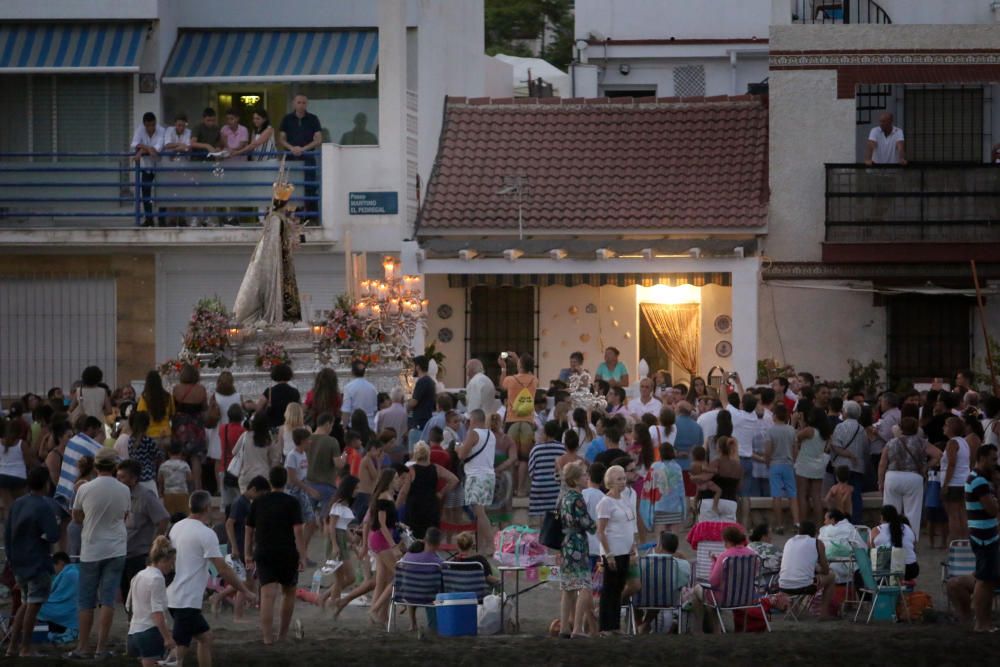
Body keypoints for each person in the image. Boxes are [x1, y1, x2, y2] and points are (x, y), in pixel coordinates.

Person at [168, 490, 255, 666]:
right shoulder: (206, 533)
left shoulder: (177, 527)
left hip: (175, 594)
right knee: (179, 649)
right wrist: (245, 590)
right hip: (186, 598)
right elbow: (222, 568)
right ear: (208, 508)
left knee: (206, 638)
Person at [67, 448, 130, 659]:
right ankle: (101, 648)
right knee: (108, 599)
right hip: (116, 548)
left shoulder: (85, 489)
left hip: (91, 548)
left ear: (95, 466)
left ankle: (82, 646)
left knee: (86, 601)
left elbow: (76, 517)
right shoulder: (124, 490)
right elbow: (125, 515)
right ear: (114, 467)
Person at [245, 466, 305, 645]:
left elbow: (249, 530)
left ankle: (267, 638)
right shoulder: (292, 502)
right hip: (286, 551)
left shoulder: (258, 502)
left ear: (270, 481)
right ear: (285, 481)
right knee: (288, 593)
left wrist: (248, 553)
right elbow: (298, 530)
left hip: (264, 551)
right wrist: (302, 555)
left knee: (267, 595)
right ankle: (282, 635)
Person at [4, 466, 60, 658]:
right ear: (46, 484)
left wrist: (11, 561)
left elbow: (7, 534)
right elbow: (53, 535)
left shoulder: (17, 504)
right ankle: (25, 648)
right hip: (37, 562)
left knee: (25, 603)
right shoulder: (44, 505)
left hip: (18, 562)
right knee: (33, 605)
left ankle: (12, 646)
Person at [879, 416, 940, 541]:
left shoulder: (891, 442)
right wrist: (926, 466)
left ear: (900, 428)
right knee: (913, 511)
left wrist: (880, 481)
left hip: (893, 476)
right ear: (916, 429)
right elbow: (939, 454)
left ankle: (888, 539)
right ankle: (910, 541)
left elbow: (882, 463)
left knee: (890, 510)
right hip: (913, 477)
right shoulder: (922, 442)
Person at [116, 459, 169, 603]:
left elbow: (163, 518)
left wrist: (154, 545)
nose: (119, 480)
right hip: (121, 552)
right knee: (126, 593)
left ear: (133, 479)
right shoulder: (118, 495)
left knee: (139, 595)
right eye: (118, 476)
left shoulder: (145, 496)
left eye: (122, 477)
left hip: (139, 554)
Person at [216, 475, 268, 620]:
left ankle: (221, 598)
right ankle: (236, 614)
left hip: (244, 548)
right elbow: (229, 524)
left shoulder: (247, 503)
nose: (260, 497)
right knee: (244, 583)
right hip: (238, 548)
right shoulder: (239, 502)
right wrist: (233, 547)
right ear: (253, 489)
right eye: (260, 494)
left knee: (248, 582)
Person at [690, 526, 755, 633]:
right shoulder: (752, 554)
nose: (724, 544)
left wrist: (714, 563)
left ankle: (700, 631)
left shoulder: (724, 556)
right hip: (747, 597)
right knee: (711, 599)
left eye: (724, 541)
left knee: (697, 590)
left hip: (725, 598)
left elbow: (713, 582)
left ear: (728, 541)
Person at [595, 464, 636, 635]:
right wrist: (608, 554)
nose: (623, 482)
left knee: (619, 588)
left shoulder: (625, 499)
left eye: (624, 478)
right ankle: (605, 626)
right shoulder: (605, 502)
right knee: (609, 588)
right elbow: (601, 530)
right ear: (610, 482)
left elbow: (630, 525)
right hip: (613, 551)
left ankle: (615, 625)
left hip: (625, 550)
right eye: (619, 479)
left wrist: (633, 548)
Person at [557, 461, 596, 639]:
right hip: (578, 543)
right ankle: (578, 628)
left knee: (568, 587)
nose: (586, 477)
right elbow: (587, 523)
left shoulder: (564, 497)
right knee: (584, 585)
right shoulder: (577, 498)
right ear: (574, 480)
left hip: (565, 543)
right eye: (582, 475)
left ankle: (565, 626)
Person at [963, 443, 999, 632]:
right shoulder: (979, 481)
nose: (995, 463)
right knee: (984, 582)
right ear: (983, 457)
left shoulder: (978, 479)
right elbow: (992, 510)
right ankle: (981, 623)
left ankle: (983, 622)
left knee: (987, 580)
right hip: (984, 536)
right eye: (993, 459)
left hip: (985, 535)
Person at [126, 536, 176, 667]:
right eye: (172, 563)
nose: (172, 567)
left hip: (134, 632)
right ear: (164, 560)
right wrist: (167, 637)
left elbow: (129, 606)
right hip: (149, 633)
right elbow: (157, 613)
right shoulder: (157, 579)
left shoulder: (139, 575)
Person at [367, 468, 404, 626]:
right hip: (382, 540)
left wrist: (399, 524)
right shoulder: (384, 498)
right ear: (388, 480)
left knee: (383, 580)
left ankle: (381, 617)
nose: (398, 481)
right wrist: (393, 546)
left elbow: (386, 522)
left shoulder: (388, 497)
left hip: (381, 538)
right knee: (399, 576)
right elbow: (381, 524)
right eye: (396, 478)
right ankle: (375, 610)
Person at [777, 521, 837, 619]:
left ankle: (793, 611)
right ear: (815, 532)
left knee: (800, 577)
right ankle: (824, 614)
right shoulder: (817, 543)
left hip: (783, 586)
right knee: (831, 577)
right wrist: (818, 569)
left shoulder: (789, 541)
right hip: (804, 586)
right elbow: (826, 571)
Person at [499, 351, 539, 494]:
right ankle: (521, 489)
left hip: (512, 421)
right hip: (528, 422)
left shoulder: (510, 380)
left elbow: (501, 385)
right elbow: (525, 375)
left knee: (513, 458)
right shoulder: (534, 380)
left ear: (519, 365)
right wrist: (519, 360)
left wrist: (503, 367)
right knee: (523, 458)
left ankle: (512, 489)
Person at [457, 409, 496, 554]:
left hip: (476, 476)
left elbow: (462, 454)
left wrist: (457, 448)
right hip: (488, 475)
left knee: (479, 512)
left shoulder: (473, 433)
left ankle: (492, 545)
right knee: (481, 512)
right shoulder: (490, 434)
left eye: (469, 420)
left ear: (474, 419)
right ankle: (481, 547)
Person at [278, 94, 323, 220]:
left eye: (304, 102)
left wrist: (303, 149)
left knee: (310, 187)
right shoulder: (287, 119)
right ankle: (291, 218)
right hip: (291, 159)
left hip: (308, 158)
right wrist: (292, 148)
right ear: (294, 104)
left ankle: (311, 219)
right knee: (290, 188)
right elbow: (281, 139)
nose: (301, 105)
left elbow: (319, 139)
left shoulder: (313, 119)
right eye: (299, 102)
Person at [404, 442, 458, 539]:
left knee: (414, 537)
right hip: (431, 504)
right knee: (431, 537)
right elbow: (454, 480)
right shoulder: (436, 468)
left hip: (415, 506)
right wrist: (441, 493)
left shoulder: (411, 470)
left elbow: (404, 491)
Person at [828, 400, 868, 525]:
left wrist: (848, 455)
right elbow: (866, 449)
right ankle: (855, 522)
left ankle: (839, 522)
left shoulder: (840, 427)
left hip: (841, 466)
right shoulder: (862, 429)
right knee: (855, 496)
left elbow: (835, 446)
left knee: (840, 495)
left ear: (845, 412)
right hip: (858, 467)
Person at [795, 407, 831, 526]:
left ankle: (803, 524)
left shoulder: (809, 430)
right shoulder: (825, 433)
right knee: (816, 496)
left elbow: (796, 437)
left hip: (804, 463)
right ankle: (819, 525)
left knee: (802, 495)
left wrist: (799, 424)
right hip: (819, 464)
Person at [130, 112, 165, 227]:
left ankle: (162, 220)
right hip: (147, 167)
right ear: (144, 125)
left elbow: (157, 150)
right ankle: (149, 220)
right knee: (146, 193)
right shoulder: (140, 129)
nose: (151, 128)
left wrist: (141, 150)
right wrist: (147, 148)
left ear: (155, 123)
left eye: (153, 125)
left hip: (160, 166)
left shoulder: (161, 130)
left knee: (161, 194)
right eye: (148, 126)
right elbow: (134, 143)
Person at [942, 416, 974, 542]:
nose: (943, 427)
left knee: (953, 515)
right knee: (963, 514)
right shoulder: (964, 442)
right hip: (964, 481)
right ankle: (965, 542)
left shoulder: (952, 443)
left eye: (945, 425)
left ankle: (955, 544)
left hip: (954, 483)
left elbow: (952, 463)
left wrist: (945, 484)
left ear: (951, 428)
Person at [234, 411, 283, 494]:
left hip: (246, 474)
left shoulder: (245, 435)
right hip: (264, 475)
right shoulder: (268, 439)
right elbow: (275, 459)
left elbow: (235, 452)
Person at [37, 552, 80, 644]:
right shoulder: (74, 571)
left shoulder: (69, 574)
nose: (54, 570)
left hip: (66, 610)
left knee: (37, 605)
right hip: (73, 611)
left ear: (60, 563)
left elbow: (58, 595)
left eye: (54, 566)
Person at [528, 421, 566, 522]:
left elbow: (531, 472)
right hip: (555, 489)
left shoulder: (536, 449)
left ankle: (543, 535)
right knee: (556, 516)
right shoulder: (562, 449)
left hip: (539, 489)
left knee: (541, 518)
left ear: (545, 433)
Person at [870, 504, 919, 580]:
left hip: (888, 572)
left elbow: (871, 551)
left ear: (882, 517)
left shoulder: (876, 530)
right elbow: (913, 546)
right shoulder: (907, 528)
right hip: (911, 569)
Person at [306, 413, 341, 514]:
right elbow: (338, 464)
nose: (331, 428)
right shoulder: (332, 441)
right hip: (327, 485)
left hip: (309, 484)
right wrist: (344, 456)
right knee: (325, 519)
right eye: (331, 425)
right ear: (327, 424)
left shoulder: (307, 439)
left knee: (308, 518)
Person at [127, 411, 164, 496]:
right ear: (147, 425)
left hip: (135, 478)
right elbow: (159, 455)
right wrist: (161, 442)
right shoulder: (148, 440)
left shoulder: (130, 440)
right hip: (148, 477)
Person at [138, 370, 174, 450]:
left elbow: (141, 416)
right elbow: (172, 414)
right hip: (166, 435)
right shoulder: (168, 397)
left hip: (150, 435)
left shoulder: (144, 398)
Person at [258, 364, 301, 430]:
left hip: (272, 427)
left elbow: (259, 408)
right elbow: (299, 408)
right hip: (289, 428)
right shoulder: (295, 391)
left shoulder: (269, 391)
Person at [159, 441, 193, 516]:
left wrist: (160, 492)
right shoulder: (184, 465)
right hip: (182, 493)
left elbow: (160, 480)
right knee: (184, 516)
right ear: (181, 453)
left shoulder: (163, 465)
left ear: (168, 453)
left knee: (170, 515)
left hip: (168, 494)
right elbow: (189, 479)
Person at [342, 360, 379, 430]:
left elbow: (346, 410)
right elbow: (375, 410)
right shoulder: (372, 388)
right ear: (364, 372)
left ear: (352, 372)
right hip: (370, 425)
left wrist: (344, 428)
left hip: (354, 425)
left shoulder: (348, 387)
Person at [407, 355, 437, 435]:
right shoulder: (430, 381)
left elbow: (414, 402)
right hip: (426, 417)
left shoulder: (422, 381)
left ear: (418, 367)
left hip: (420, 420)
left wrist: (406, 405)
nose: (412, 369)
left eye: (413, 366)